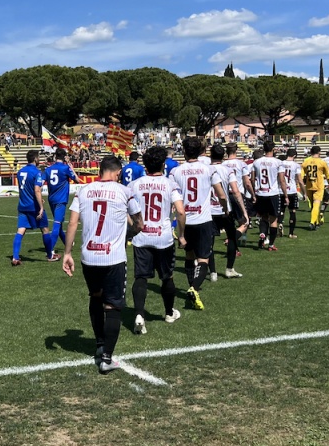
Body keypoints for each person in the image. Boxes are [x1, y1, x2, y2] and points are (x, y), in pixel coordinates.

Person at [61, 155, 140, 374]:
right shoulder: (124, 191)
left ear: (99, 171)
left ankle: (99, 344)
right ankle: (106, 358)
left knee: (95, 297)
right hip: (113, 258)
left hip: (89, 256)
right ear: (118, 172)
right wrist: (130, 232)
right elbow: (139, 222)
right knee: (113, 305)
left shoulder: (83, 191)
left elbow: (73, 223)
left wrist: (67, 253)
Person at [128, 146, 186, 332]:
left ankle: (139, 315)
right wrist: (181, 235)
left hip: (142, 236)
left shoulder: (134, 185)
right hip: (163, 237)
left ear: (145, 165)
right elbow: (181, 211)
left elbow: (125, 209)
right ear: (163, 164)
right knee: (167, 276)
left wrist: (133, 227)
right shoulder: (170, 184)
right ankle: (169, 313)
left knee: (141, 277)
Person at [170, 136, 227, 310]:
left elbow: (172, 197)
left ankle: (191, 286)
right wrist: (226, 209)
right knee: (203, 259)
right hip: (203, 220)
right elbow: (221, 194)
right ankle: (194, 288)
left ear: (184, 151)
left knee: (189, 256)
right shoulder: (209, 169)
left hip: (185, 220)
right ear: (201, 151)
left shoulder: (176, 171)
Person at [208, 143, 247, 279]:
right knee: (231, 238)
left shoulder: (205, 169)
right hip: (225, 210)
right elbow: (235, 191)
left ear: (210, 155)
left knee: (209, 242)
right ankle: (229, 269)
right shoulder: (227, 170)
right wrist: (244, 211)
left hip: (209, 210)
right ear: (223, 155)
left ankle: (213, 272)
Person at [11, 149, 56, 265]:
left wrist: (38, 198)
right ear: (35, 159)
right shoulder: (37, 172)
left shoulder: (20, 172)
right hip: (33, 207)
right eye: (38, 157)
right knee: (45, 229)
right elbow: (37, 190)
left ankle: (15, 257)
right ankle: (50, 255)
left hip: (22, 205)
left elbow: (25, 189)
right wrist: (41, 206)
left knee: (21, 230)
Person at [251, 140, 288, 251]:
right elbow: (282, 180)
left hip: (260, 193)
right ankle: (271, 244)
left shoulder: (256, 162)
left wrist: (254, 191)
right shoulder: (278, 162)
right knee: (273, 219)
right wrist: (286, 195)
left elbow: (252, 179)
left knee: (263, 217)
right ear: (273, 149)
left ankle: (263, 233)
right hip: (273, 194)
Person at [44, 147, 80, 250]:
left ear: (55, 156)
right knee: (57, 224)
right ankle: (50, 250)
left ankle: (68, 243)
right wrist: (71, 167)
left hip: (51, 199)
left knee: (58, 224)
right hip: (61, 199)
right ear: (64, 157)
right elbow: (77, 180)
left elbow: (40, 183)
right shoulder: (65, 168)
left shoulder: (48, 169)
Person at [301, 145, 329, 229]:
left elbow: (301, 176)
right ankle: (312, 222)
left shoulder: (306, 162)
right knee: (316, 204)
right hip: (318, 185)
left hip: (309, 185)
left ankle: (316, 222)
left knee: (313, 205)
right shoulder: (322, 162)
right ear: (319, 152)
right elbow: (328, 176)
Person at [280, 148, 305, 239]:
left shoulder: (280, 163)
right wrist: (304, 193)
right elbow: (300, 180)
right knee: (292, 211)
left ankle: (280, 223)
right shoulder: (296, 165)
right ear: (294, 156)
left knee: (281, 210)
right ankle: (291, 233)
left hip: (281, 190)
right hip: (292, 191)